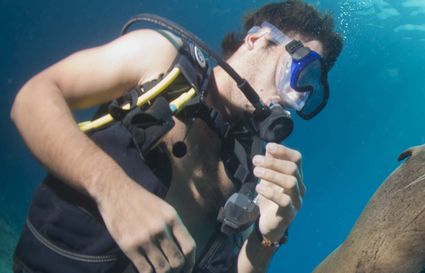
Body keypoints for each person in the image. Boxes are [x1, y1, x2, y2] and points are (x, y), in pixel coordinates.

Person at [9, 0, 343, 272]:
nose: (293, 98)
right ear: (257, 40)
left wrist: (267, 238)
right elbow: (33, 99)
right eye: (299, 73)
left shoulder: (251, 164)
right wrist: (114, 190)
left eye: (308, 93)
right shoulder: (160, 57)